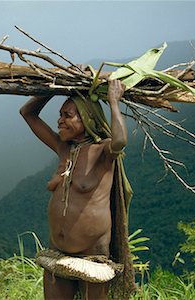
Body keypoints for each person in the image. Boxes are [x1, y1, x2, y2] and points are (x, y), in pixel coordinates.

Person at [19, 79, 130, 300]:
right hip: (57, 254)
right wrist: (55, 86)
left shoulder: (102, 151)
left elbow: (120, 141)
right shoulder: (64, 149)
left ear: (86, 118)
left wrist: (114, 102)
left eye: (67, 115)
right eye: (60, 115)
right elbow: (27, 113)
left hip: (92, 259)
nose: (60, 121)